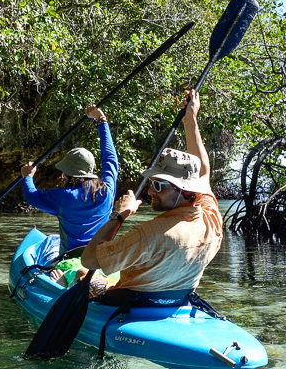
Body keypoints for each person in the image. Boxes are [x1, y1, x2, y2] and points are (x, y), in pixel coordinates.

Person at [79, 90, 222, 297]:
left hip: (130, 304)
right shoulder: (211, 220)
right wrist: (190, 119)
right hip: (174, 300)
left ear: (184, 190)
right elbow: (203, 169)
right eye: (152, 183)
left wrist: (120, 215)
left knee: (80, 272)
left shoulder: (148, 235)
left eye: (158, 185)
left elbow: (90, 259)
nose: (149, 191)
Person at [20, 104, 118, 264]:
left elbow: (31, 196)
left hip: (70, 261)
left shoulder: (63, 197)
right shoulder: (107, 190)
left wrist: (28, 177)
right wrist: (102, 120)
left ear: (67, 173)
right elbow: (110, 157)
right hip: (100, 260)